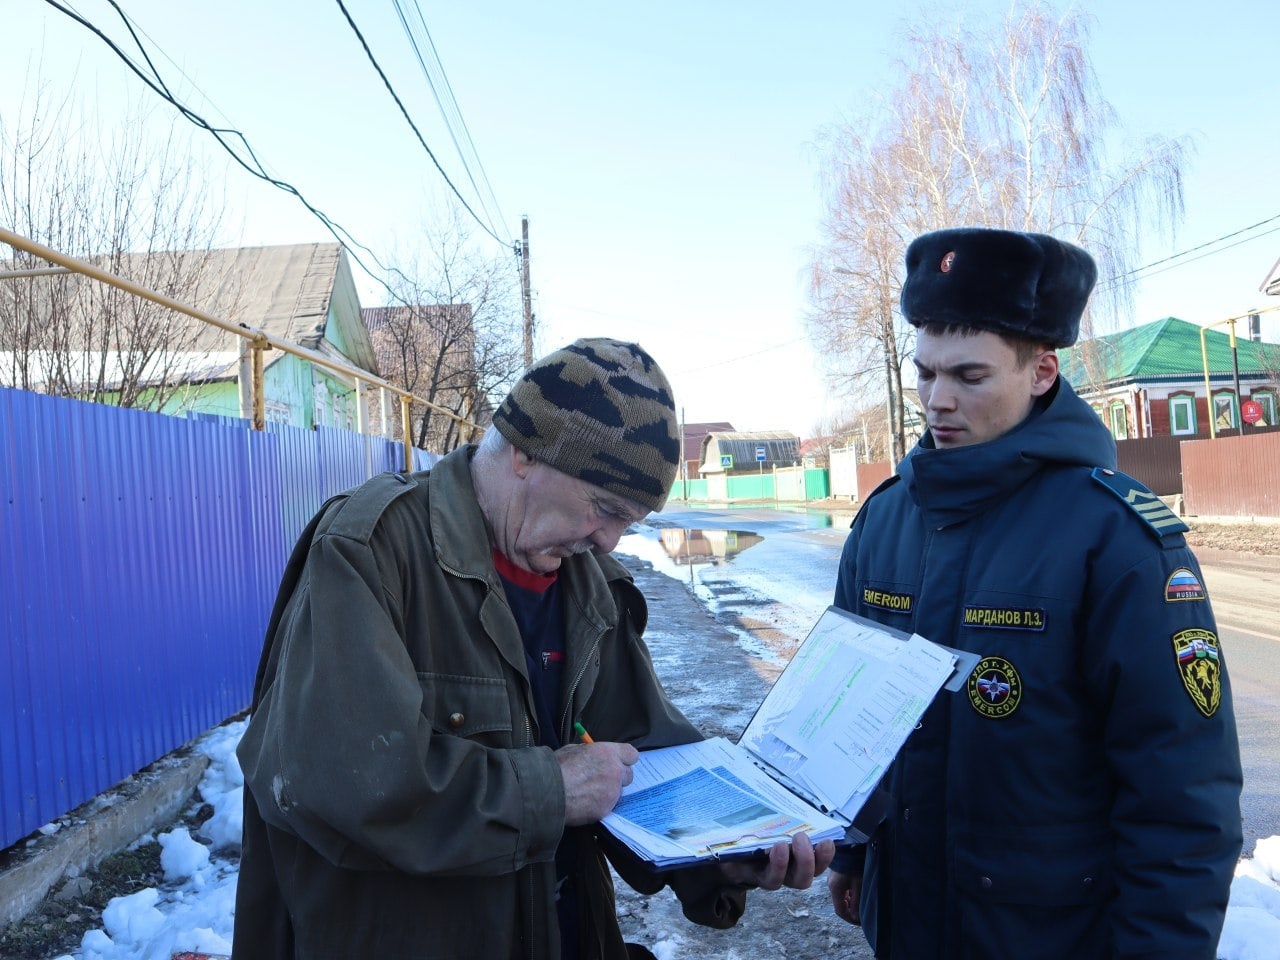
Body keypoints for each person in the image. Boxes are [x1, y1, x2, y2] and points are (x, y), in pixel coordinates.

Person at [232, 337, 834, 960]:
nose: (609, 543)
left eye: (628, 522)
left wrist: (727, 851)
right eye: (604, 509)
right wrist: (549, 790)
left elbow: (645, 754)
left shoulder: (591, 586)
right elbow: (338, 786)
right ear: (523, 454)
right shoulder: (371, 549)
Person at [825, 228, 1243, 959]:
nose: (937, 401)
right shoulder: (883, 521)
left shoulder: (1114, 535)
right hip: (907, 921)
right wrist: (857, 854)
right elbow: (851, 721)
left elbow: (1180, 792)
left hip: (1048, 934)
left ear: (1042, 372)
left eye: (970, 377)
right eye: (924, 374)